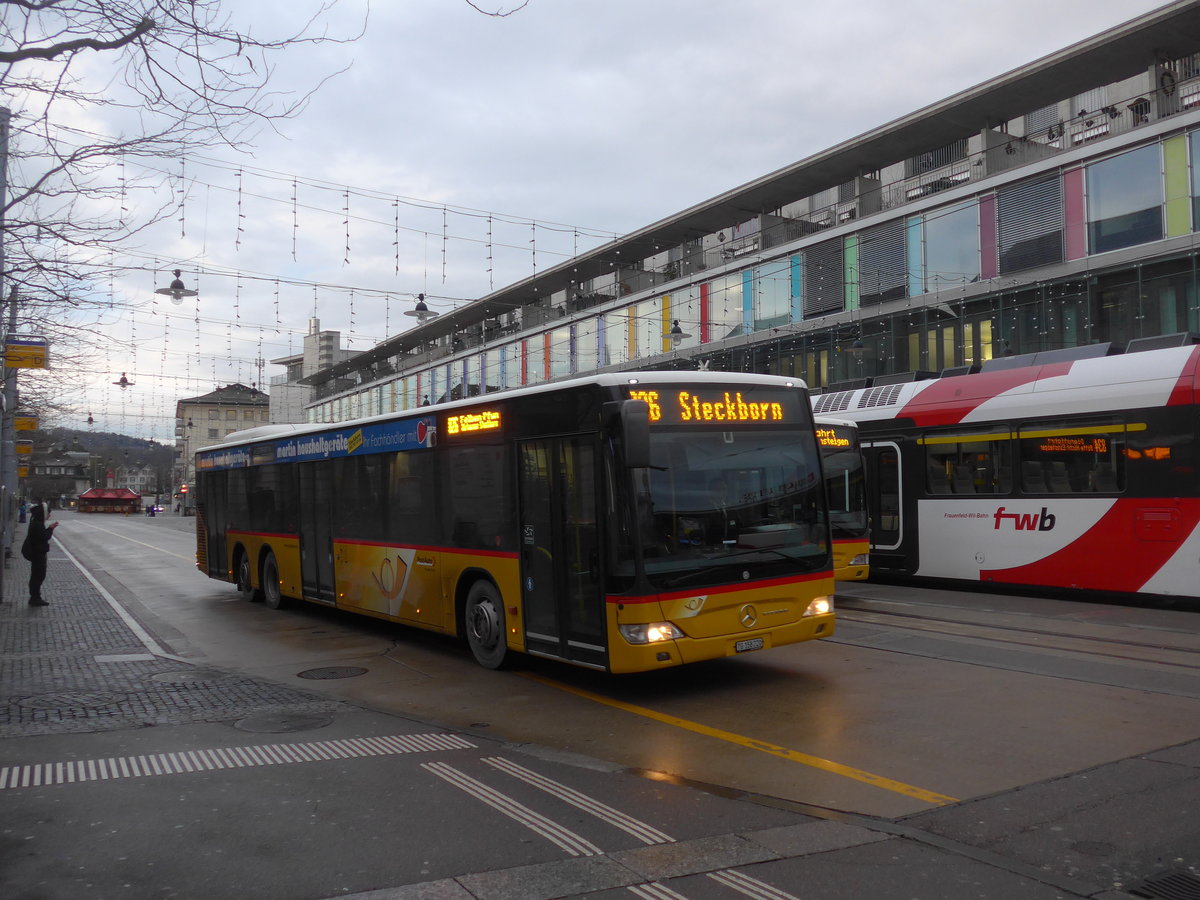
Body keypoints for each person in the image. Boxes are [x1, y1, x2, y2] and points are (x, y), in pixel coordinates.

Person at [22, 502, 58, 607]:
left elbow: (42, 535)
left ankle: (35, 596)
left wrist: (49, 528)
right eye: (48, 513)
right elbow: (44, 537)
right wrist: (50, 529)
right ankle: (35, 597)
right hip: (38, 553)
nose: (49, 515)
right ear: (43, 513)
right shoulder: (37, 524)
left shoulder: (36, 522)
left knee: (37, 576)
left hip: (37, 553)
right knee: (38, 576)